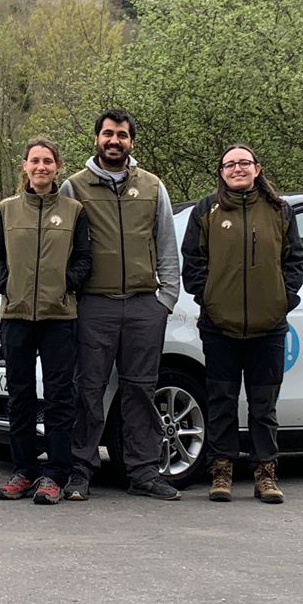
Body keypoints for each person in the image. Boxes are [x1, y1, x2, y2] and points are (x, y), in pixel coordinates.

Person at [64, 109, 183, 501]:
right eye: (108, 134)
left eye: (122, 136)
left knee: (140, 391)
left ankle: (143, 472)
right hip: (94, 307)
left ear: (132, 142)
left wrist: (165, 299)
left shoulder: (152, 187)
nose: (114, 141)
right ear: (97, 138)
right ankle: (79, 472)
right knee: (88, 391)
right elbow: (62, 248)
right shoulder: (74, 187)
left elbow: (166, 244)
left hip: (143, 306)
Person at [180, 144, 303, 504]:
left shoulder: (280, 210)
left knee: (264, 406)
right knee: (221, 401)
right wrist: (210, 298)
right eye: (230, 164)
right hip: (220, 326)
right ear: (221, 172)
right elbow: (193, 262)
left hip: (269, 327)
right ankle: (221, 473)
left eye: (244, 163)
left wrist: (286, 298)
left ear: (257, 168)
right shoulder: (206, 210)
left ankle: (265, 474)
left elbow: (295, 258)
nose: (237, 169)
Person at [0, 138, 91, 504]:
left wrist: (66, 285)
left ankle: (56, 473)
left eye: (48, 161)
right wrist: (5, 284)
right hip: (16, 316)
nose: (41, 167)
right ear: (25, 167)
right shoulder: (6, 210)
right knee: (20, 397)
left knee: (60, 397)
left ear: (57, 167)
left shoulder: (74, 210)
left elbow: (84, 260)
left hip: (59, 316)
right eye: (35, 161)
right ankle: (24, 470)